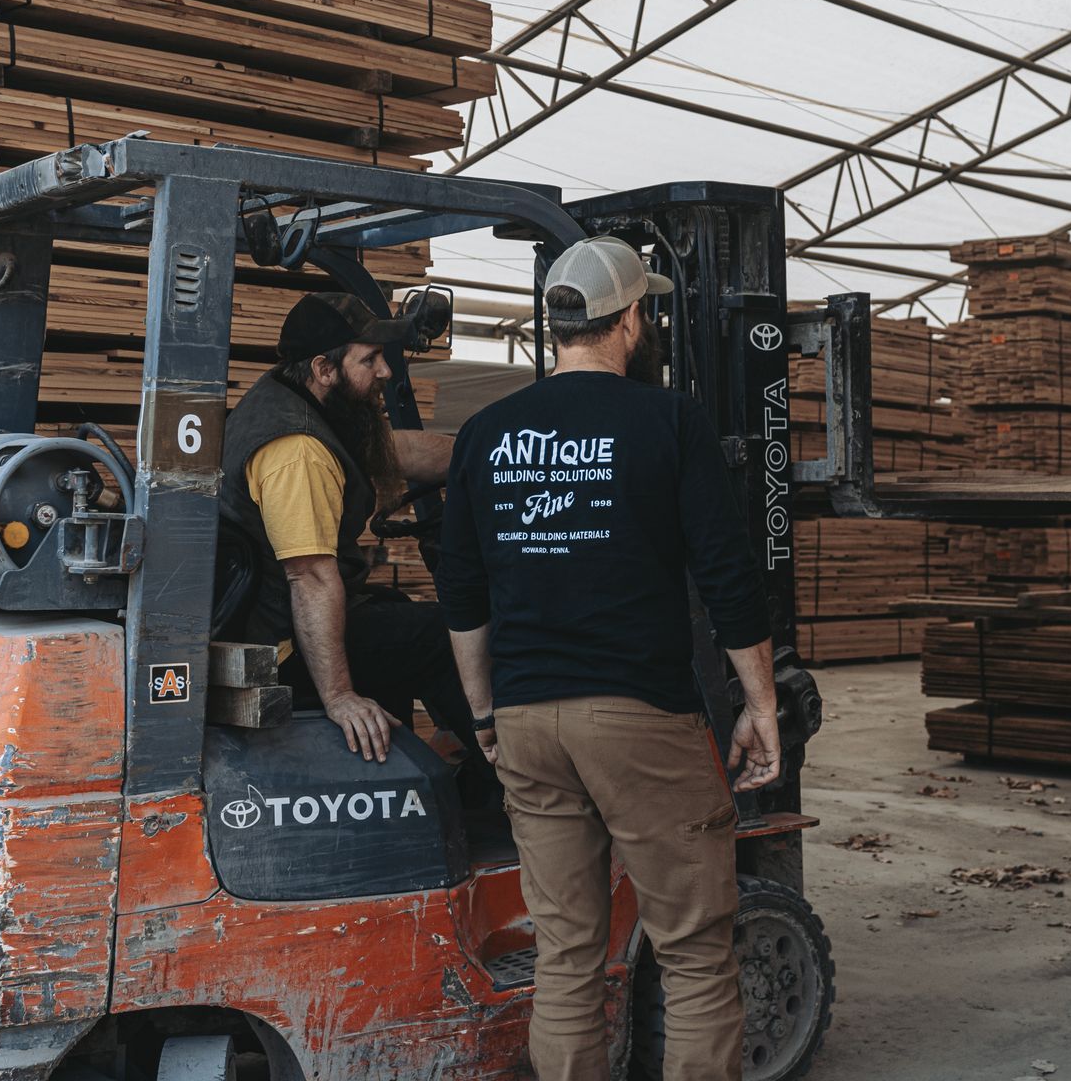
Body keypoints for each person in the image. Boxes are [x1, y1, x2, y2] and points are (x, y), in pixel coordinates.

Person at [436, 237, 784, 1081]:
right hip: (637, 718)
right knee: (697, 955)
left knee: (565, 956)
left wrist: (484, 715)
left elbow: (462, 596)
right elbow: (728, 574)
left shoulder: (485, 434)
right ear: (633, 317)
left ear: (556, 326)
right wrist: (760, 704)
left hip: (526, 719)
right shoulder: (668, 420)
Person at [218, 291, 491, 789]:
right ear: (325, 368)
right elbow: (312, 578)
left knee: (397, 610)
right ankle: (512, 784)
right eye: (369, 360)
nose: (384, 371)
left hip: (278, 620)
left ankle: (426, 781)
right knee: (442, 635)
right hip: (282, 644)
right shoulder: (297, 450)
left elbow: (393, 450)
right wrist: (340, 696)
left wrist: (493, 457)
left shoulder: (300, 399)